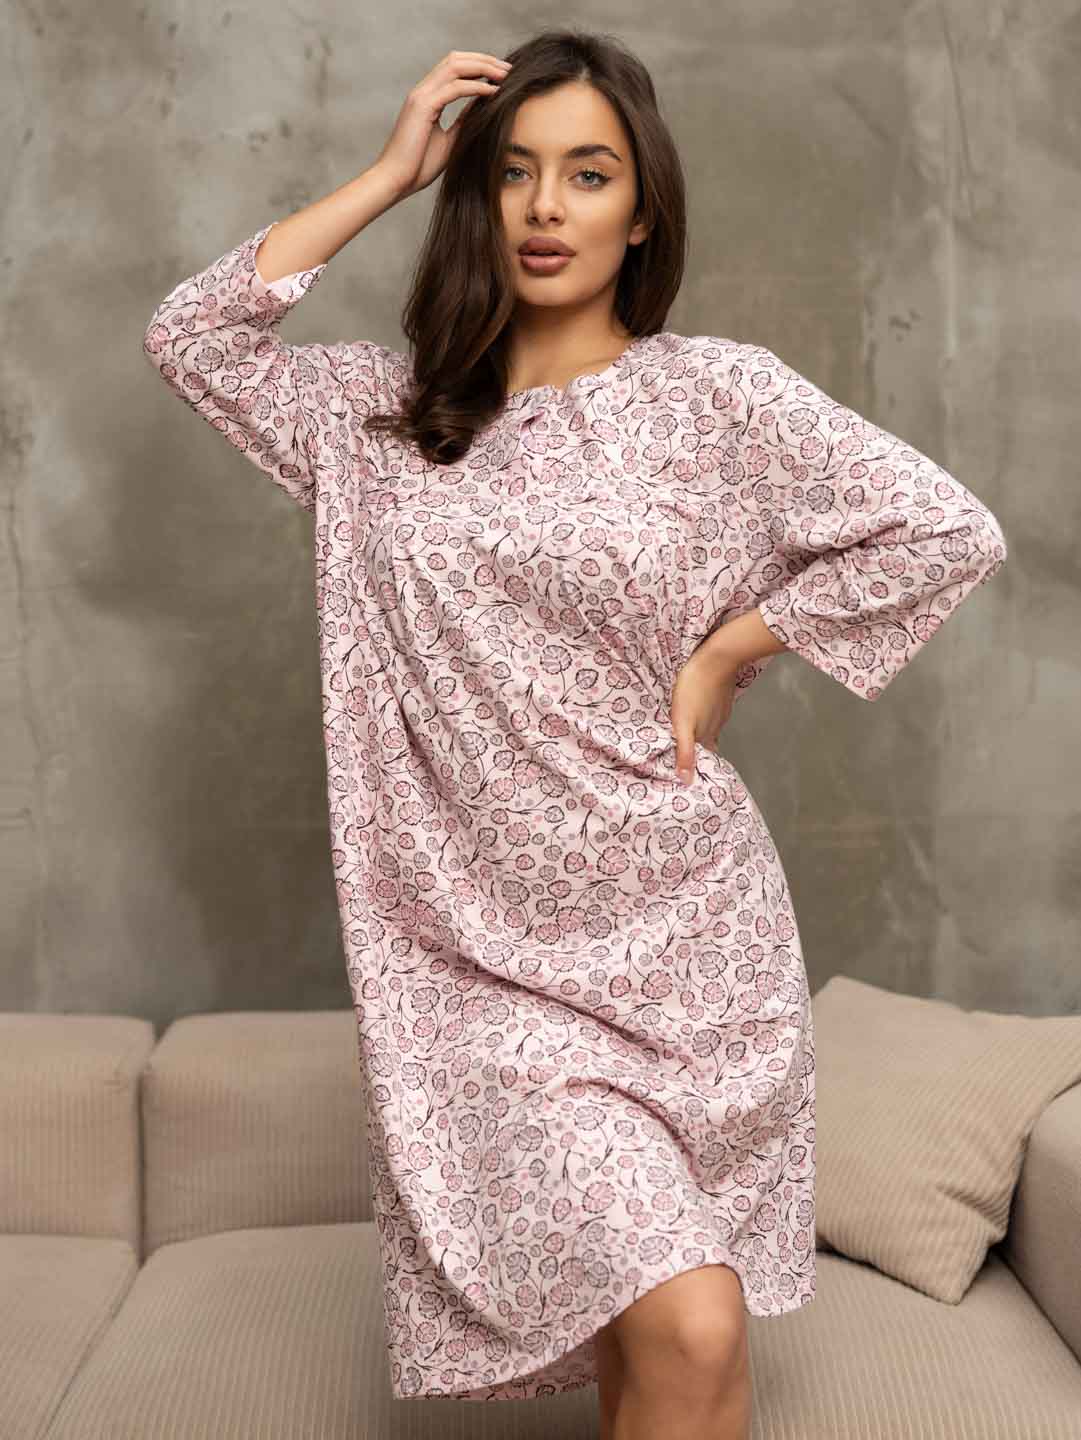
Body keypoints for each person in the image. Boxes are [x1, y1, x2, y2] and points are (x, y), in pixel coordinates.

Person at [142, 28, 1007, 1440]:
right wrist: (393, 169)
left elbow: (943, 530)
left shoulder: (716, 398)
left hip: (685, 940)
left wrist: (735, 644)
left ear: (642, 209)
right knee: (690, 1317)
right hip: (474, 965)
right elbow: (192, 336)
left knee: (673, 1347)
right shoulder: (379, 419)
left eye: (589, 175)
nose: (546, 208)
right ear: (475, 198)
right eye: (513, 174)